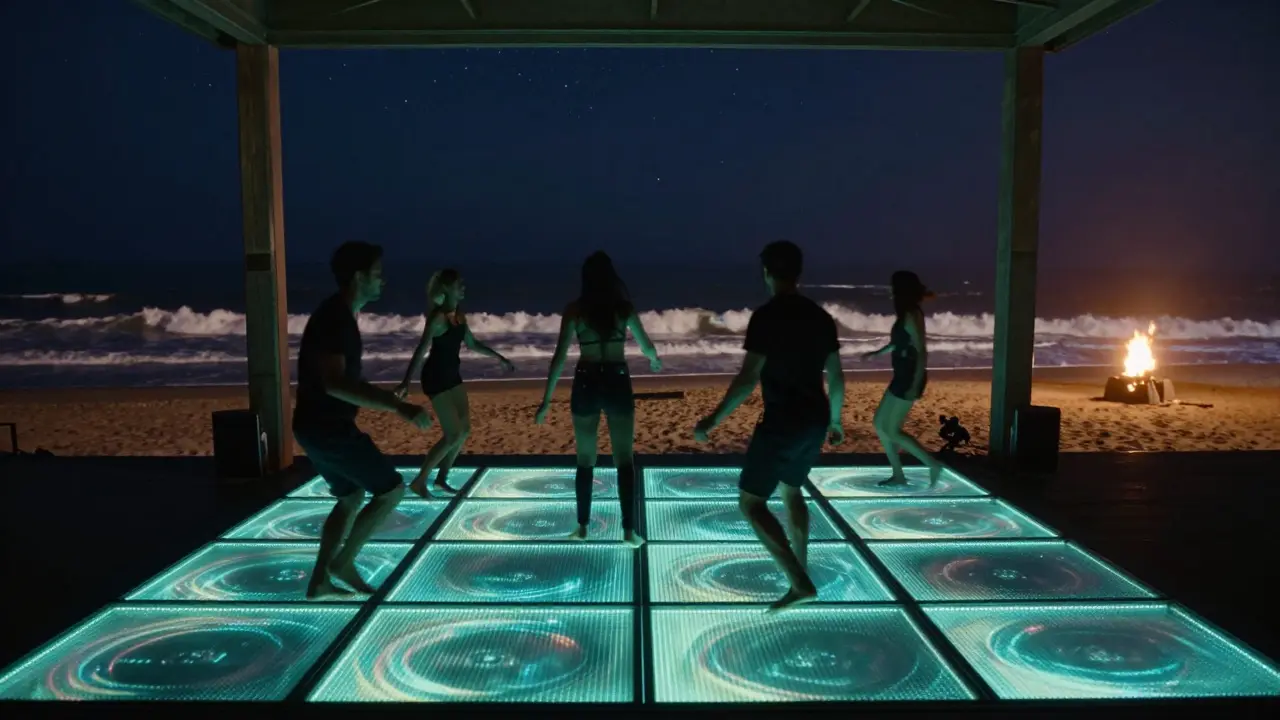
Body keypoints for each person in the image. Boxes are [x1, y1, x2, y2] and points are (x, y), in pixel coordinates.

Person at [694, 240, 844, 612]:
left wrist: (713, 419)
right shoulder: (820, 317)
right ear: (799, 272)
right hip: (816, 416)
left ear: (766, 273)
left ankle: (799, 582)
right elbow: (837, 378)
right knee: (792, 489)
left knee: (750, 502)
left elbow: (747, 379)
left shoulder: (767, 317)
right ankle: (801, 569)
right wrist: (836, 420)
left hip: (783, 420)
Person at [293, 241, 433, 600]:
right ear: (358, 277)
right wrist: (397, 407)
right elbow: (335, 383)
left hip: (315, 426)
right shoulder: (336, 318)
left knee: (351, 496)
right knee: (391, 490)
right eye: (376, 274)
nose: (382, 281)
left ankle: (320, 580)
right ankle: (342, 563)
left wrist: (383, 396)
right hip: (327, 428)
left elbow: (342, 380)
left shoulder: (340, 316)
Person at [535, 251, 661, 549]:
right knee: (624, 459)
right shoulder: (624, 309)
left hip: (586, 381)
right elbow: (646, 345)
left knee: (585, 459)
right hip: (617, 380)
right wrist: (654, 360)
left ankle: (582, 527)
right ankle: (628, 531)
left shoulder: (575, 311)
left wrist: (546, 400)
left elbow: (559, 358)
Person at [397, 269, 514, 498]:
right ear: (446, 289)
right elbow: (421, 350)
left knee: (465, 430)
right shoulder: (437, 317)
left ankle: (441, 479)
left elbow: (471, 343)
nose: (463, 287)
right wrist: (405, 382)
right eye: (459, 284)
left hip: (453, 375)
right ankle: (419, 481)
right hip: (435, 378)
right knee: (452, 434)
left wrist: (499, 357)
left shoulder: (459, 315)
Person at [861, 270, 946, 487]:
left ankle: (932, 465)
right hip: (901, 375)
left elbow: (921, 351)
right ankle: (898, 474)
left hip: (909, 377)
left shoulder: (911, 315)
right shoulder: (905, 313)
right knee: (880, 424)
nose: (890, 290)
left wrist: (916, 382)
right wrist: (876, 353)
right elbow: (899, 342)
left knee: (891, 429)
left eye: (893, 287)